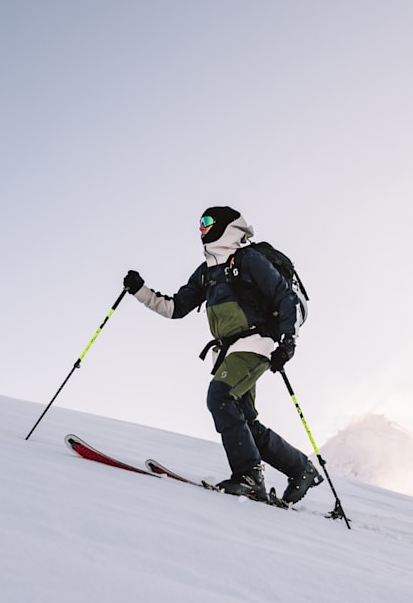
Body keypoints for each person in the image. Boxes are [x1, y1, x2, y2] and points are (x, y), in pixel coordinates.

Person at [122, 206, 322, 504]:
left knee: (220, 397)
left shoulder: (247, 259)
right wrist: (140, 291)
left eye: (207, 221)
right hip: (230, 351)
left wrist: (288, 341)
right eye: (200, 223)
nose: (201, 228)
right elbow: (175, 308)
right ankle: (300, 468)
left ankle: (249, 476)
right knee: (245, 421)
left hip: (255, 343)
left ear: (226, 225)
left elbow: (284, 296)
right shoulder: (206, 273)